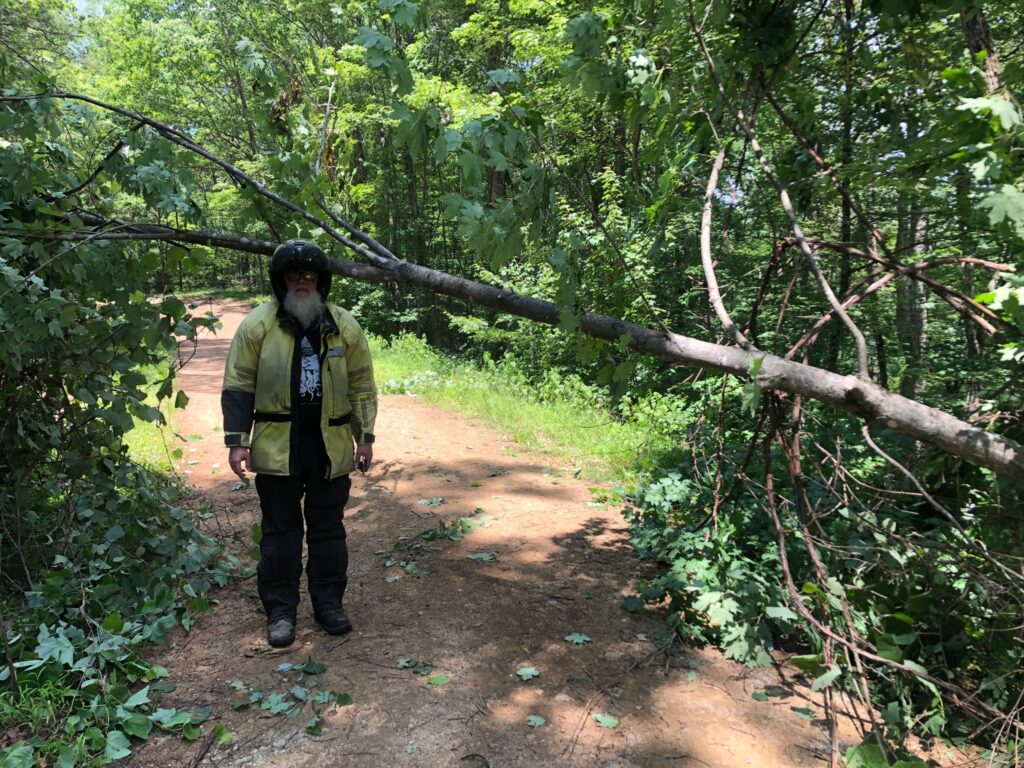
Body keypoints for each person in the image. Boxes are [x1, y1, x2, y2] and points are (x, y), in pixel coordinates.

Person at [221, 239, 376, 648]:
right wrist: (237, 441)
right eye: (294, 276)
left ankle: (329, 605)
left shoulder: (344, 325)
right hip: (276, 447)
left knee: (328, 530)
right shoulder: (258, 325)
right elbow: (237, 386)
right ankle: (281, 612)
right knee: (280, 532)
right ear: (281, 281)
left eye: (308, 275)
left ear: (321, 281)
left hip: (331, 446)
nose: (301, 281)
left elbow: (362, 385)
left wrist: (365, 437)